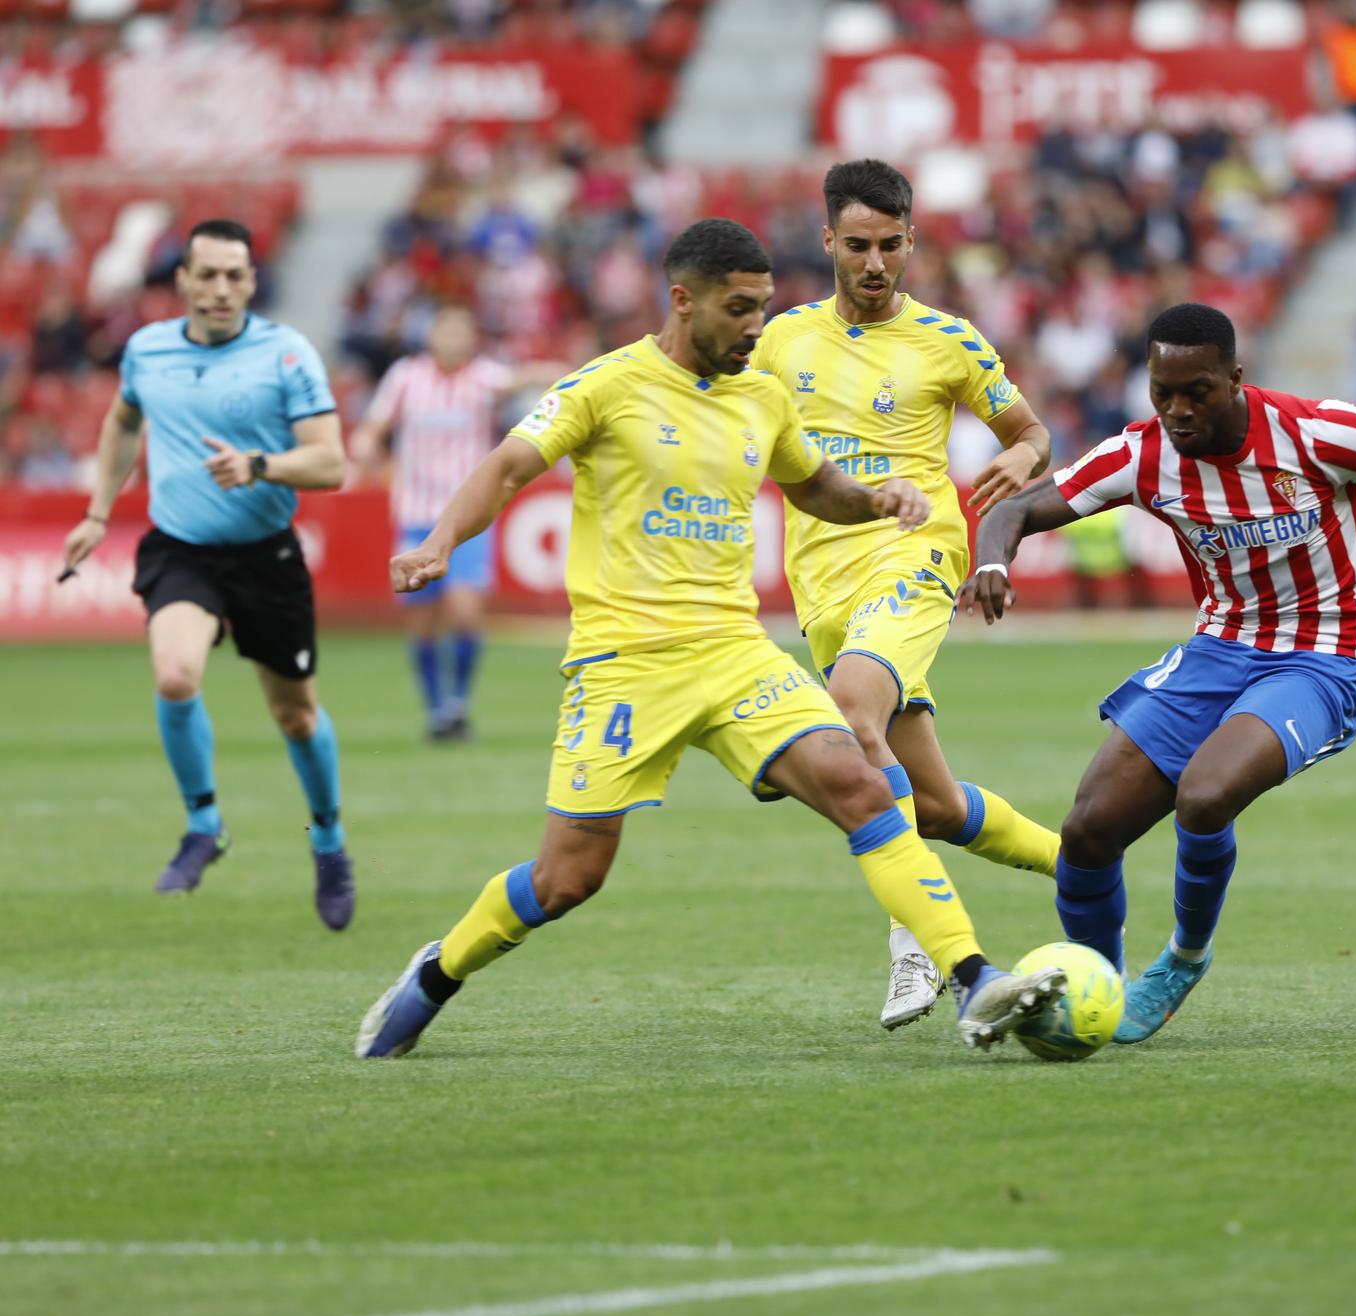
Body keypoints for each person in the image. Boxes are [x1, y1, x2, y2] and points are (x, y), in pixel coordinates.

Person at [356, 219, 1063, 1060]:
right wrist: (440, 541)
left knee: (861, 781)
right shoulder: (607, 385)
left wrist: (876, 499)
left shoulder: (761, 395)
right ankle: (438, 971)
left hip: (733, 653)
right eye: (738, 309)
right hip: (625, 664)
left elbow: (816, 487)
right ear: (682, 300)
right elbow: (510, 466)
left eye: (763, 308)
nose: (755, 327)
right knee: (569, 877)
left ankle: (974, 978)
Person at [962, 303, 1356, 1044]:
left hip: (1326, 655)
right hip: (1221, 647)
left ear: (1236, 378)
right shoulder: (1144, 455)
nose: (1177, 410)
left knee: (1205, 795)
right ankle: (1096, 987)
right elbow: (1015, 510)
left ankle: (1184, 957)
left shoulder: (1312, 432)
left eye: (1197, 391)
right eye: (1162, 392)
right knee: (1087, 831)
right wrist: (993, 558)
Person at [750, 160, 1066, 1031]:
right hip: (822, 583)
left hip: (915, 553)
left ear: (911, 240)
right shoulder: (780, 341)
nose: (877, 261)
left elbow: (1029, 429)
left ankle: (918, 941)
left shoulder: (949, 341)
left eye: (892, 244)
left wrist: (1020, 455)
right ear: (828, 243)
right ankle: (1080, 859)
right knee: (930, 800)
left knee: (852, 710)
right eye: (859, 245)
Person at [59, 219, 355, 929]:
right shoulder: (147, 350)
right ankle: (204, 823)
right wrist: (98, 513)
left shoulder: (286, 355)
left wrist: (260, 465)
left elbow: (332, 462)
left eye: (235, 276)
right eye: (208, 275)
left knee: (296, 714)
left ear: (252, 281)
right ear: (184, 280)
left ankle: (329, 842)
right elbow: (123, 422)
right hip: (182, 548)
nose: (221, 288)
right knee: (175, 674)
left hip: (266, 554)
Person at [349, 304, 561, 740]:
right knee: (423, 620)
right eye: (446, 330)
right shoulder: (407, 377)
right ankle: (436, 709)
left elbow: (525, 377)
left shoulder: (483, 377)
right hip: (416, 516)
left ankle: (458, 701)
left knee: (466, 613)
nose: (453, 339)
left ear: (471, 338)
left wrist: (572, 372)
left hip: (469, 520)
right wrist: (366, 442)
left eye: (462, 331)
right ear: (432, 336)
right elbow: (374, 424)